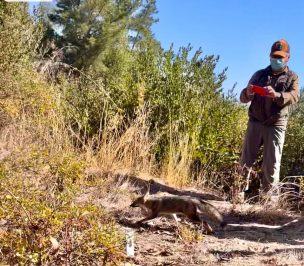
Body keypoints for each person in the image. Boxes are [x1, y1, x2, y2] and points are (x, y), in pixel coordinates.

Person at [239, 39, 300, 201]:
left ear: (288, 57)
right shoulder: (259, 75)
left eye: (280, 57)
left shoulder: (292, 77)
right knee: (246, 160)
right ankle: (237, 197)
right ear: (269, 56)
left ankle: (269, 204)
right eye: (274, 56)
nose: (276, 60)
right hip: (255, 123)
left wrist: (277, 95)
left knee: (271, 165)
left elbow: (294, 96)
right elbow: (242, 97)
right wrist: (248, 93)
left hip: (276, 126)